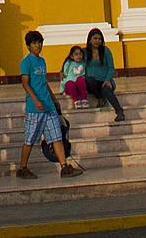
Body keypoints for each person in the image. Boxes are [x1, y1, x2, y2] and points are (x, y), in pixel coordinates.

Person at [15, 29, 82, 178]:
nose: (38, 45)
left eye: (39, 42)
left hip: (48, 106)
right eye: (34, 43)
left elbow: (43, 83)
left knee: (56, 136)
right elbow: (25, 83)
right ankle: (23, 168)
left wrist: (53, 98)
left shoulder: (42, 61)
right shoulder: (26, 62)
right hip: (35, 108)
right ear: (28, 46)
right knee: (30, 138)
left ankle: (64, 166)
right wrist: (36, 100)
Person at [82, 27, 127, 122]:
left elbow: (111, 68)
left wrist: (107, 80)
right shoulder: (84, 52)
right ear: (90, 39)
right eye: (95, 38)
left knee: (106, 89)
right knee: (89, 81)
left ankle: (119, 112)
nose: (97, 41)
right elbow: (72, 59)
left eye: (99, 39)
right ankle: (100, 97)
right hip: (92, 82)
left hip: (105, 80)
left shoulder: (106, 51)